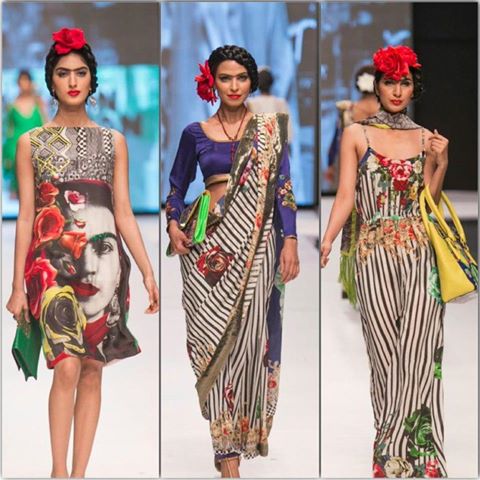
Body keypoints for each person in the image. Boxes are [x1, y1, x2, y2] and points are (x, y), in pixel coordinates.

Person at [6, 27, 159, 478]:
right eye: (62, 73)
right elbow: (26, 216)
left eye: (80, 72)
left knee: (93, 367)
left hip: (104, 265)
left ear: (92, 79)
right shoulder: (31, 143)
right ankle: (58, 472)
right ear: (50, 81)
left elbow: (123, 211)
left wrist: (147, 270)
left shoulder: (114, 142)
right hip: (50, 264)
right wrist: (17, 287)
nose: (72, 81)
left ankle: (78, 474)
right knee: (67, 367)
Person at [166, 45, 299, 478]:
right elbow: (176, 187)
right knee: (212, 342)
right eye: (225, 78)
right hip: (210, 249)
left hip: (260, 245)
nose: (234, 85)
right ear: (213, 82)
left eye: (241, 78)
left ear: (251, 81)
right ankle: (225, 446)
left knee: (251, 342)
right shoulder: (196, 133)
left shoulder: (268, 130)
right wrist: (173, 223)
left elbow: (283, 187)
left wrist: (291, 240)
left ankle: (235, 441)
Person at [321, 45, 449, 478]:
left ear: (414, 88)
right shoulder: (356, 134)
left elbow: (428, 203)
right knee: (384, 355)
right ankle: (391, 453)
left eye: (404, 82)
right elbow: (346, 195)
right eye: (390, 82)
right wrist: (329, 238)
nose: (397, 90)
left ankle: (422, 456)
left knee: (421, 352)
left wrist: (441, 162)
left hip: (420, 254)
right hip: (372, 254)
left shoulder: (425, 138)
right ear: (375, 86)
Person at [3, 70, 47, 197]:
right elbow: (8, 128)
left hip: (35, 144)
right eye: (21, 81)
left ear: (31, 82)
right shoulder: (12, 105)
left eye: (26, 81)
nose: (23, 84)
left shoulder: (38, 103)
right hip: (15, 146)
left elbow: (45, 123)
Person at [246, 67, 293, 142]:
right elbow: (288, 134)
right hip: (277, 146)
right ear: (271, 82)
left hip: (257, 146)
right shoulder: (281, 103)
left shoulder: (250, 103)